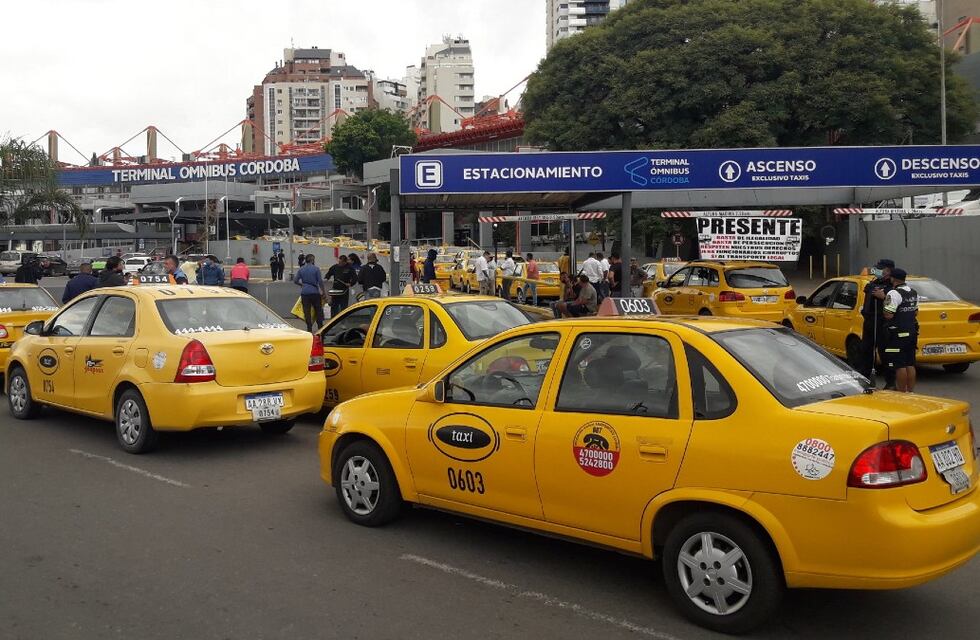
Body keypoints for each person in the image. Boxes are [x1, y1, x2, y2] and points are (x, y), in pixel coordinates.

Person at [859, 258, 895, 388]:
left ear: (888, 270)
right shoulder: (874, 282)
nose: (877, 271)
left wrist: (884, 296)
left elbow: (896, 303)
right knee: (866, 351)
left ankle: (891, 382)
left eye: (881, 269)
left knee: (885, 353)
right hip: (869, 320)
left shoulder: (892, 286)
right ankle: (865, 378)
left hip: (882, 322)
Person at [882, 268, 919, 392]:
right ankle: (911, 392)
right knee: (910, 363)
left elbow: (888, 314)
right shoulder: (913, 292)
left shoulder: (893, 293)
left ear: (893, 279)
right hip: (912, 332)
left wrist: (884, 303)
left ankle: (902, 393)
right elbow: (916, 311)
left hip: (898, 334)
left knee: (899, 365)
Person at [294, 254, 326, 332]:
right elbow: (320, 282)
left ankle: (309, 328)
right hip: (315, 292)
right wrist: (323, 292)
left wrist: (302, 285)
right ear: (312, 260)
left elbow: (295, 280)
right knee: (318, 310)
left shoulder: (301, 269)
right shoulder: (316, 269)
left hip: (305, 293)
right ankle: (320, 328)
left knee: (306, 311)